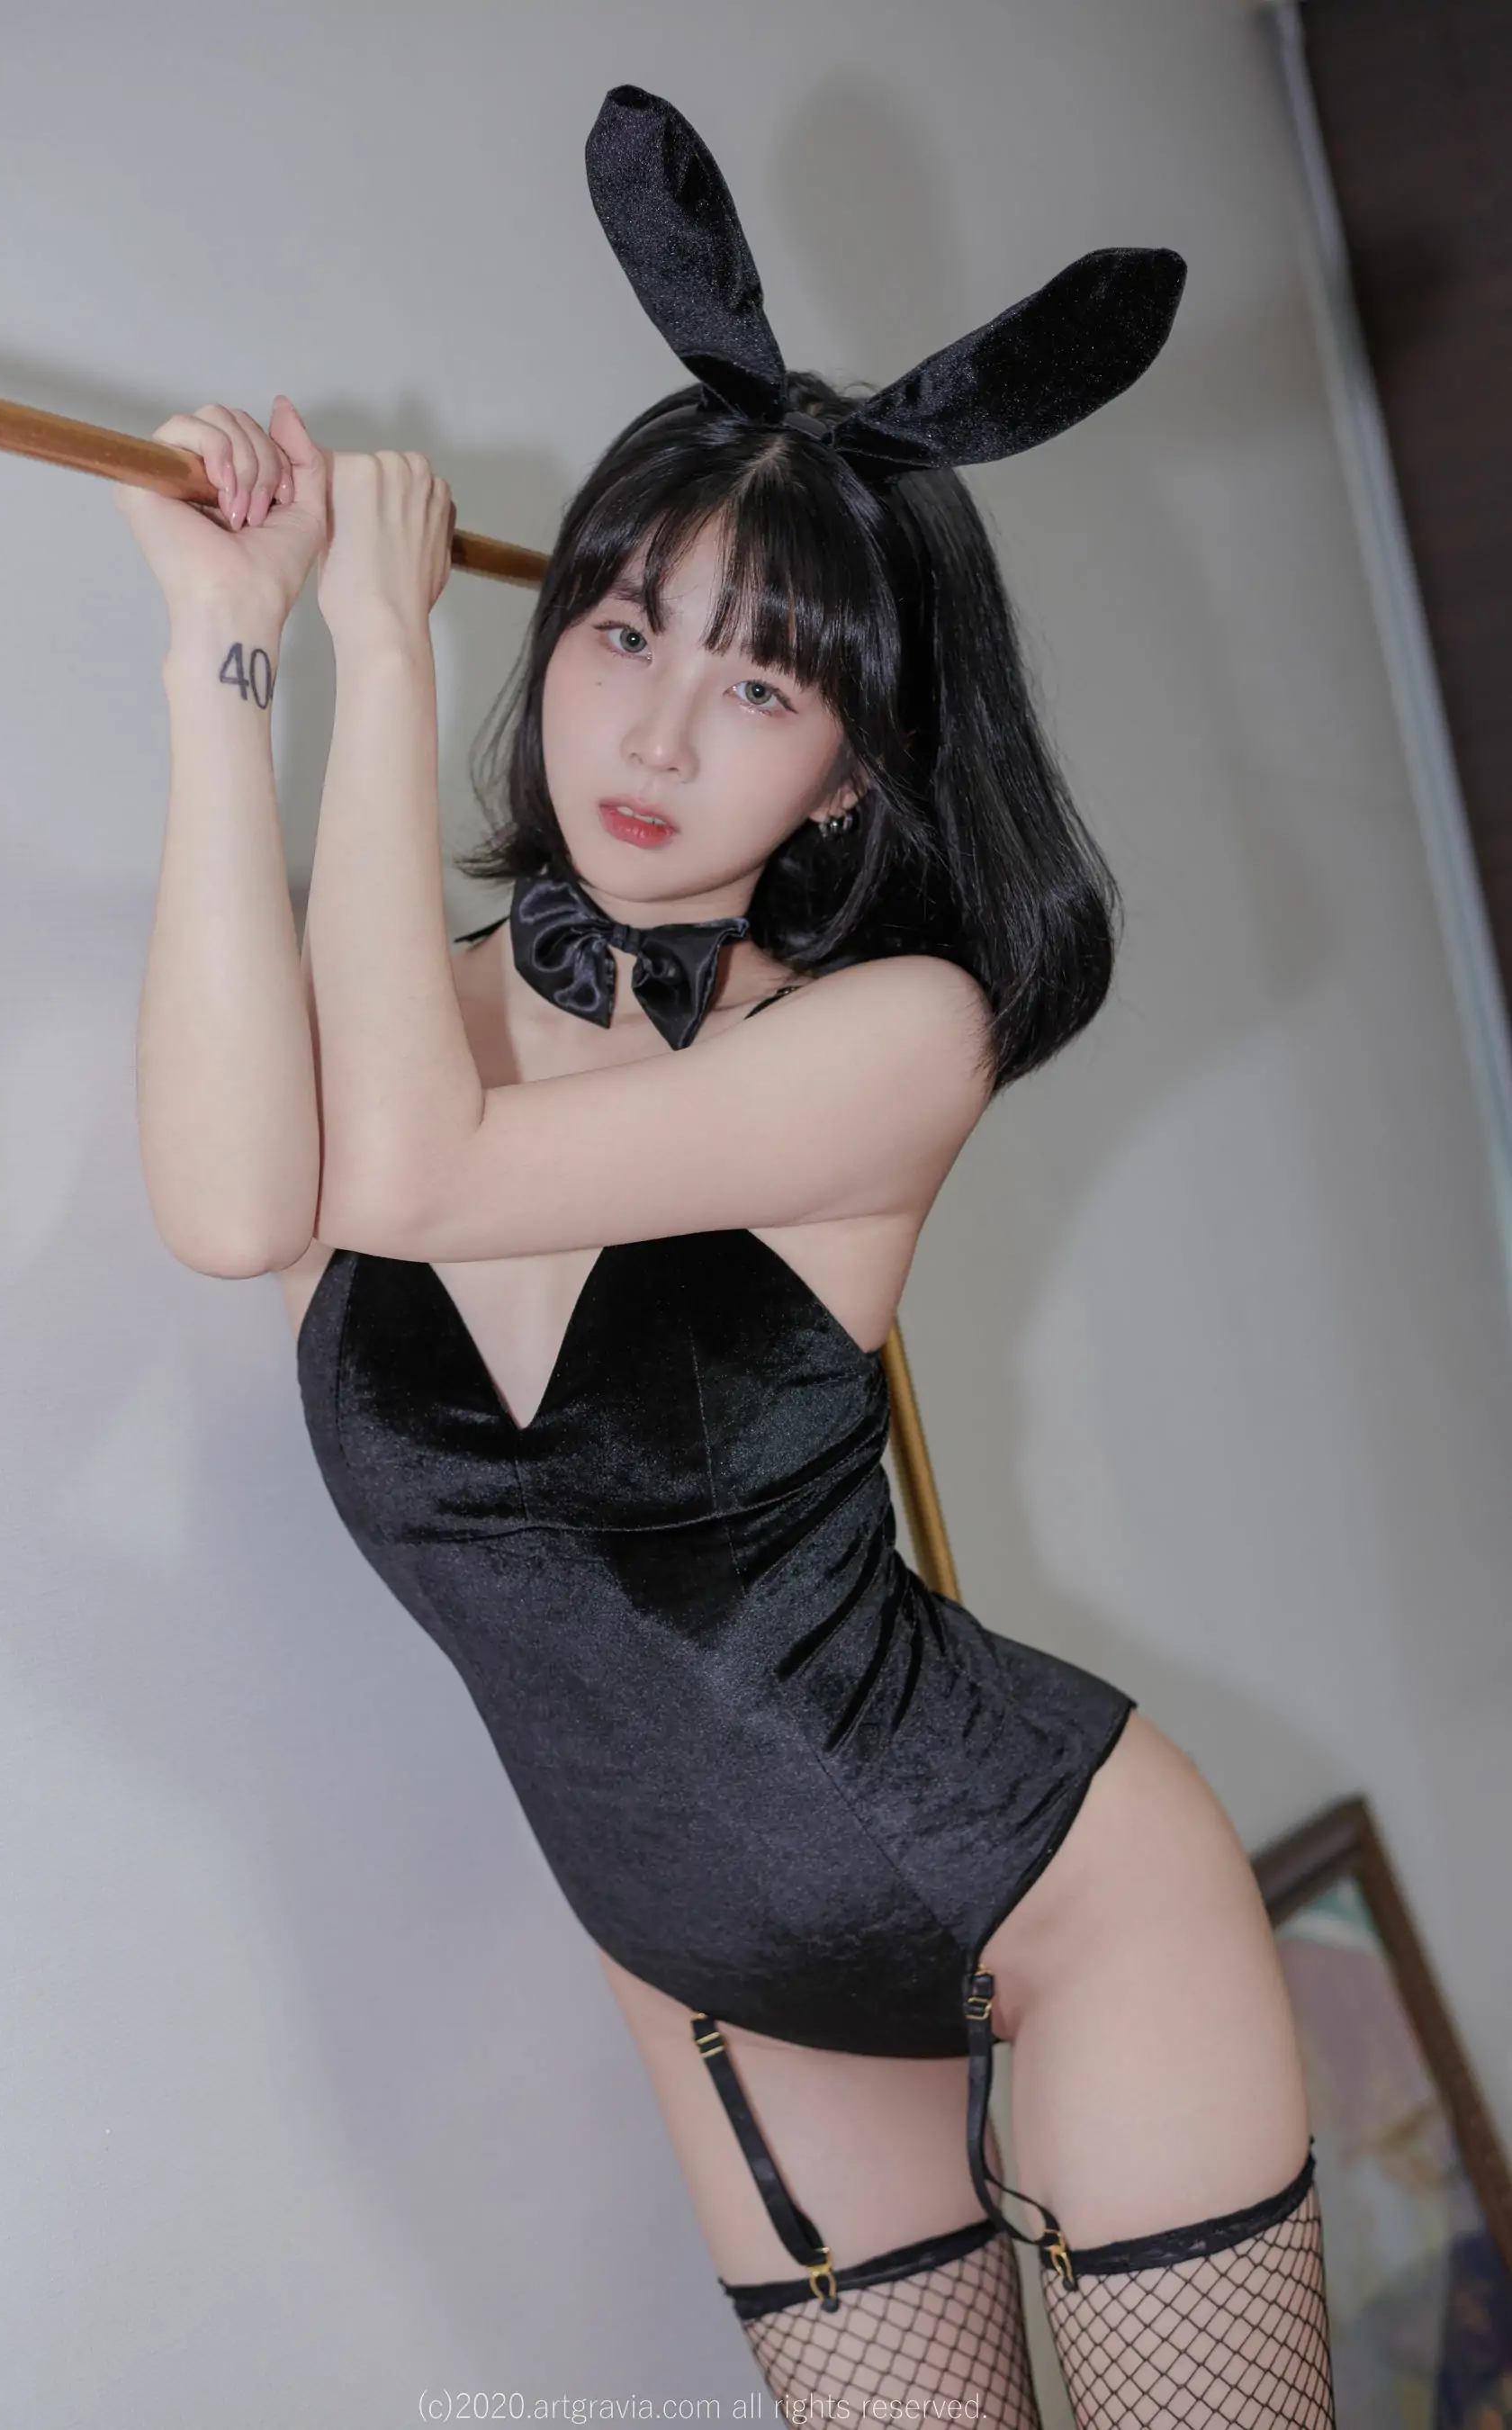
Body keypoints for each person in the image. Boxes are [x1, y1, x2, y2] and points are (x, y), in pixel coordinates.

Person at [116, 85, 1337, 2426]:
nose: (657, 730)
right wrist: (229, 652)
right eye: (621, 629)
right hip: (728, 2011)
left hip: (1063, 1905)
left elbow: (421, 1179)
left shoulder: (891, 1035)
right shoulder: (390, 1043)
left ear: (848, 771)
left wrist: (390, 653)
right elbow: (237, 1205)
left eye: (760, 684)